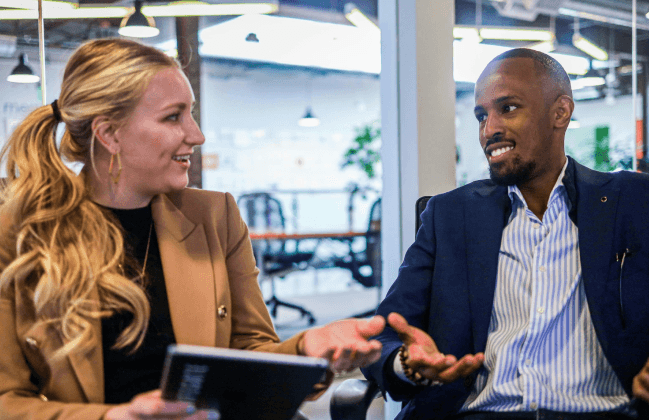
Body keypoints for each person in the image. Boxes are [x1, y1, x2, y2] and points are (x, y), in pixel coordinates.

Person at [0, 38, 385, 420]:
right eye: (173, 117)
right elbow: (7, 399)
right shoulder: (20, 235)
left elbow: (247, 357)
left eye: (192, 114)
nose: (196, 135)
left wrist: (306, 349)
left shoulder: (215, 216)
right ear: (109, 134)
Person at [362, 48, 649, 420]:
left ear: (560, 112)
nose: (489, 129)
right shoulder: (449, 215)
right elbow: (384, 336)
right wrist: (407, 364)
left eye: (507, 108)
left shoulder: (641, 203)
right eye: (481, 115)